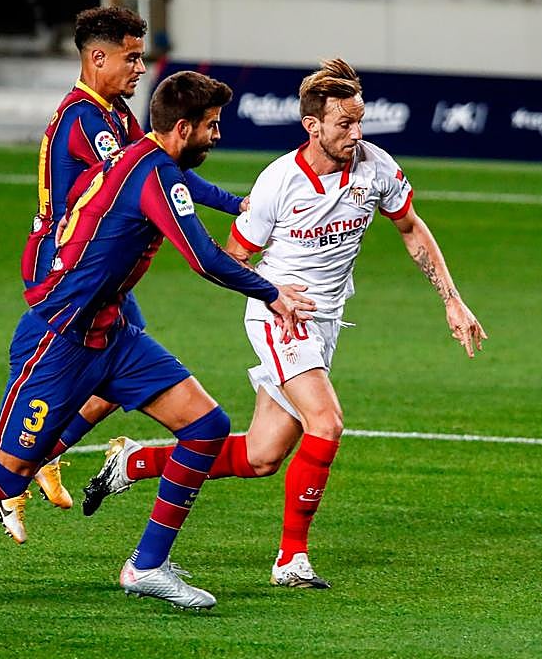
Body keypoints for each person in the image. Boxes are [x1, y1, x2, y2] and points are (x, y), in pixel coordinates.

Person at [0, 71, 315, 612]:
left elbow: (182, 196)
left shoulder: (144, 158)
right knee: (5, 475)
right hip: (59, 343)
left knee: (206, 425)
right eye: (211, 127)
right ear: (183, 129)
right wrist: (272, 292)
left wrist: (242, 206)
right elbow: (203, 258)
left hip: (112, 336)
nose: (217, 136)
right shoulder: (152, 175)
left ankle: (147, 566)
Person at [81, 58, 487, 589]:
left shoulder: (376, 167)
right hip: (279, 318)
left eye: (360, 121)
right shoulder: (278, 182)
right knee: (327, 422)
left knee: (262, 455)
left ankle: (133, 463)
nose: (356, 134)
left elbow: (410, 227)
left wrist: (452, 301)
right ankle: (291, 560)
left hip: (326, 322)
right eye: (345, 124)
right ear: (312, 126)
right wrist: (272, 297)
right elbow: (232, 255)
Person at [0, 5, 247, 543]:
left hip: (100, 273)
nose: (140, 68)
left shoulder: (115, 115)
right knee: (111, 367)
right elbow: (148, 181)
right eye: (132, 57)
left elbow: (163, 171)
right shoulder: (84, 119)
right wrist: (236, 211)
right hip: (73, 271)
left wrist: (236, 204)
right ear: (97, 57)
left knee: (117, 373)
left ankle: (39, 458)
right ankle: (17, 476)